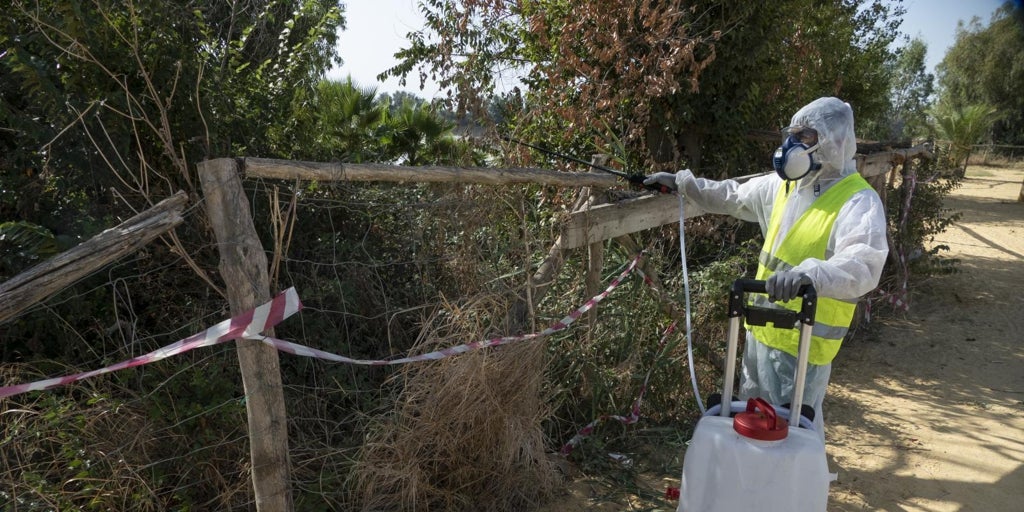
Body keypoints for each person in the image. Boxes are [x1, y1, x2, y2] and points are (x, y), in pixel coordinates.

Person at [644, 97, 888, 442]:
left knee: (792, 437)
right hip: (760, 335)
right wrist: (682, 183)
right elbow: (731, 195)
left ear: (834, 141)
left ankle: (790, 494)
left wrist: (810, 275)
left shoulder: (857, 201)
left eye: (805, 136)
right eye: (793, 135)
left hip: (804, 346)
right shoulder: (785, 188)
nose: (793, 146)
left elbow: (864, 262)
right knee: (749, 425)